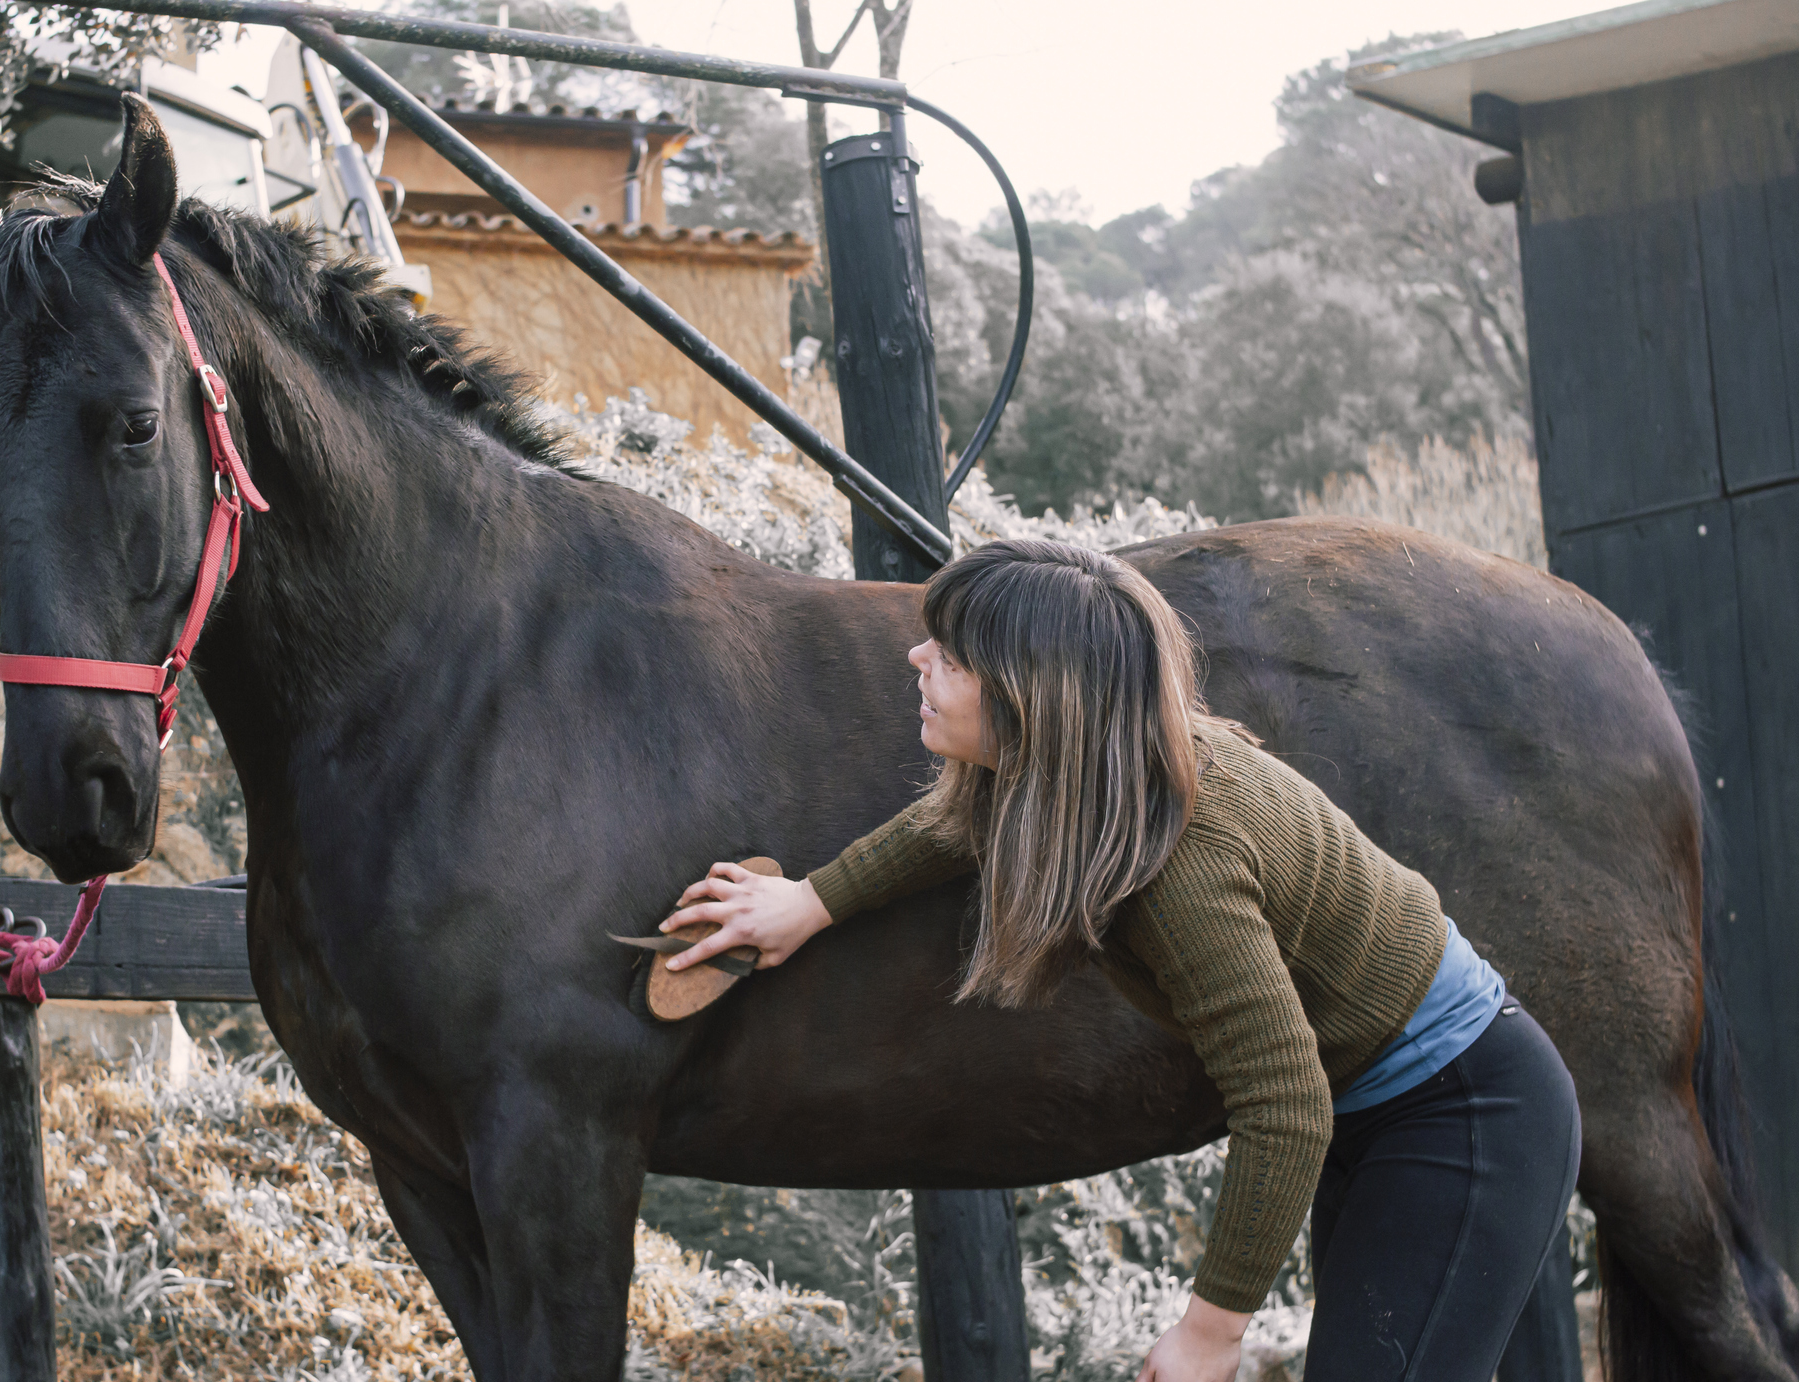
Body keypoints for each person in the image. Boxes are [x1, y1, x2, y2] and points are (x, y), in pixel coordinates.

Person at [660, 539, 1581, 1382]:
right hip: (1377, 1106)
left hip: (1463, 1110)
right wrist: (809, 903)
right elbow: (949, 827)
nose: (915, 660)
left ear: (1030, 698)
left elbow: (1283, 1105)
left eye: (948, 656)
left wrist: (1208, 1335)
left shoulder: (1179, 868)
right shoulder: (1082, 776)